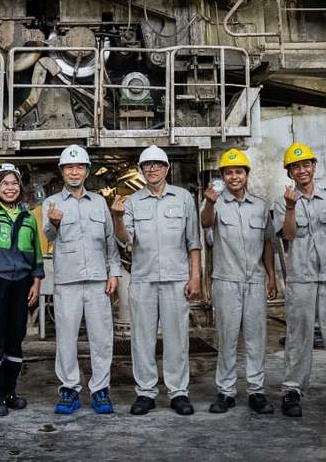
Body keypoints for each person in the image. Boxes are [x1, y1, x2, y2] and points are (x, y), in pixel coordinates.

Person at [110, 145, 200, 416]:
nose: (152, 169)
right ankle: (146, 393)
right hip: (144, 279)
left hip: (176, 279)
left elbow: (193, 241)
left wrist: (195, 276)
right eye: (147, 165)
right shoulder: (133, 202)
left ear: (166, 168)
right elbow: (126, 240)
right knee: (142, 339)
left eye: (157, 164)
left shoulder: (183, 198)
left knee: (177, 339)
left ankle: (178, 392)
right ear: (141, 170)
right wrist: (116, 217)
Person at [274, 142, 326, 420]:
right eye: (295, 166)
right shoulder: (282, 200)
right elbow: (288, 235)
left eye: (306, 164)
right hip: (301, 279)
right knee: (298, 338)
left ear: (314, 167)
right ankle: (292, 390)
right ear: (289, 172)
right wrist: (289, 207)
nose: (302, 170)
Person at [43, 144, 120, 415]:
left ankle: (100, 390)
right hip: (67, 281)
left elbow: (111, 241)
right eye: (69, 167)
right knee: (66, 337)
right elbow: (50, 239)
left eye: (79, 167)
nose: (74, 172)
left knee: (102, 337)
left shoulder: (99, 202)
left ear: (86, 171)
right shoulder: (51, 203)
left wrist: (115, 273)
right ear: (62, 171)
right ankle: (69, 388)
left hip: (99, 279)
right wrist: (54, 223)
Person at [201, 148, 276, 415]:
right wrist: (209, 202)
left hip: (255, 281)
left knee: (257, 339)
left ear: (246, 175)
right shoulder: (214, 203)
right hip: (226, 280)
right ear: (222, 175)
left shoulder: (260, 205)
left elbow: (268, 241)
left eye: (239, 172)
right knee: (227, 338)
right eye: (229, 172)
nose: (234, 177)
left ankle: (256, 392)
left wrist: (271, 276)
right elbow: (205, 223)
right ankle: (226, 392)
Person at [0, 163, 43, 416]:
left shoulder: (28, 218)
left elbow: (36, 252)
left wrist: (36, 281)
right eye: (4, 183)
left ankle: (11, 391)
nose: (10, 187)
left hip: (21, 283)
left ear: (20, 187)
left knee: (16, 337)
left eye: (14, 183)